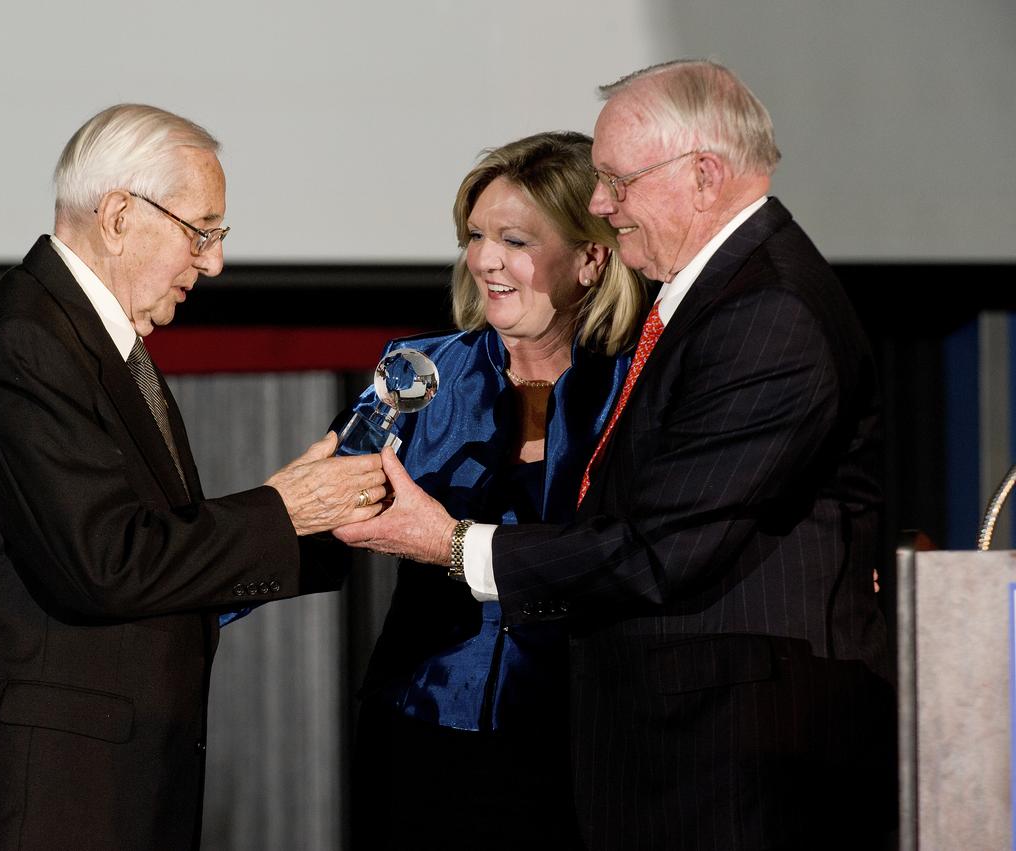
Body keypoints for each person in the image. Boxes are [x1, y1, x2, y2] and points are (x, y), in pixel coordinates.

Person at [337, 60, 895, 849]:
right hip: (534, 742)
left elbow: (656, 548)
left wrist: (451, 543)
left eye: (617, 182)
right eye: (476, 238)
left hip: (725, 750)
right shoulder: (432, 372)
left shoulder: (765, 314)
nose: (603, 205)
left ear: (703, 175)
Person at [0, 104, 386, 850]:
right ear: (119, 215)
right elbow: (105, 561)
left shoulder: (86, 336)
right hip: (50, 798)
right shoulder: (26, 339)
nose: (214, 263)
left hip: (110, 785)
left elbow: (157, 555)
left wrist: (325, 517)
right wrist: (279, 510)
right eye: (202, 231)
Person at [347, 131, 648, 850]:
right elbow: (331, 495)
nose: (485, 259)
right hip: (423, 729)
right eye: (476, 236)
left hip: (586, 738)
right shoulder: (421, 370)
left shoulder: (641, 383)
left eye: (514, 239)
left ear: (590, 258)